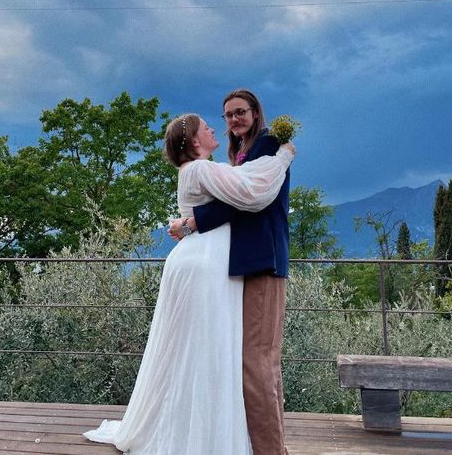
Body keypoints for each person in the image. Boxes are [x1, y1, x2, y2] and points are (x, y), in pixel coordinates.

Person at [84, 114, 295, 453]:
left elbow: (242, 185)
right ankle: (202, 435)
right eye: (207, 127)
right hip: (205, 264)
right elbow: (253, 190)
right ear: (195, 141)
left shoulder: (197, 170)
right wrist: (283, 155)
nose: (215, 129)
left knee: (196, 347)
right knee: (207, 348)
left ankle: (196, 426)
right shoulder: (199, 169)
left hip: (199, 259)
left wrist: (191, 222)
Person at [167, 89, 291, 455]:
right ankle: (267, 445)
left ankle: (270, 450)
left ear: (255, 113)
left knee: (256, 362)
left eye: (240, 112)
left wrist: (192, 221)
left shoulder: (268, 143)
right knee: (260, 361)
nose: (233, 120)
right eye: (227, 115)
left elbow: (249, 200)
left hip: (262, 259)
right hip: (243, 263)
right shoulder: (238, 155)